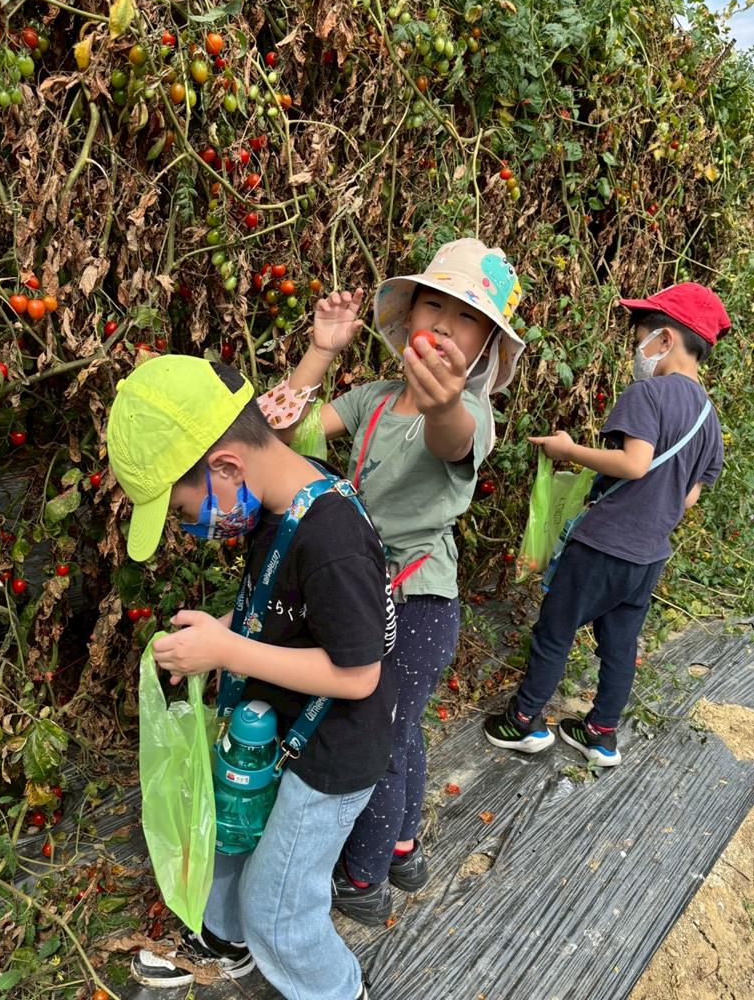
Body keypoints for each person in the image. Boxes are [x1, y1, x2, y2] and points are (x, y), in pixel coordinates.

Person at [105, 355, 397, 1000]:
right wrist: (224, 630)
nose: (190, 528)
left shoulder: (333, 542)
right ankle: (223, 940)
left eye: (183, 511)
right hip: (279, 723)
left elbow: (357, 676)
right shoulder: (277, 501)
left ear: (227, 467)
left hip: (332, 751)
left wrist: (228, 651)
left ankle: (335, 989)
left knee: (279, 904)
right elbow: (286, 611)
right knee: (234, 829)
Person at [257, 239, 525, 924]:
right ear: (407, 317)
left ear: (486, 348)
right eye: (433, 305)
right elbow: (283, 434)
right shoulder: (372, 399)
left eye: (466, 318)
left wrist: (444, 405)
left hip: (418, 604)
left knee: (375, 739)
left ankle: (364, 878)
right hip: (370, 594)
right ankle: (402, 849)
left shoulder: (469, 417)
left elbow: (450, 437)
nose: (444, 325)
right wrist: (319, 352)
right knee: (400, 731)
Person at [484, 283, 730, 767]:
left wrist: (569, 450)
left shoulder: (648, 393)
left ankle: (524, 720)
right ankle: (600, 733)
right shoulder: (710, 419)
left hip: (603, 544)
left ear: (666, 338)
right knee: (619, 645)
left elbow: (634, 463)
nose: (638, 350)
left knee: (556, 630)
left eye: (642, 338)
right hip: (648, 555)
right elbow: (689, 497)